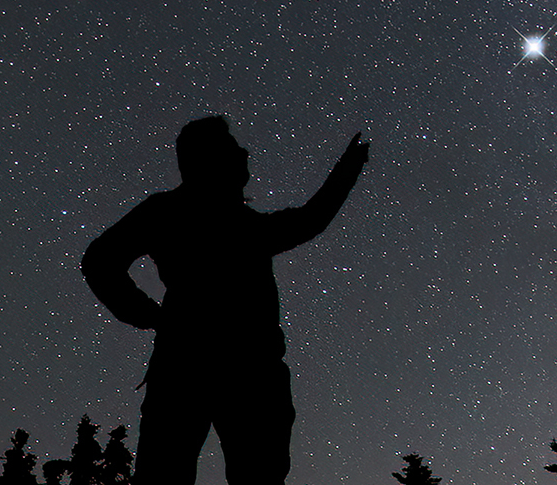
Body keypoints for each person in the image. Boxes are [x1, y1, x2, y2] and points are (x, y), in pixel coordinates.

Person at [80, 116, 369, 485]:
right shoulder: (190, 216)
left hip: (210, 366)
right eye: (234, 148)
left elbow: (307, 221)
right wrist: (149, 315)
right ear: (210, 158)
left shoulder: (224, 221)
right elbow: (100, 261)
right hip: (226, 369)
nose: (245, 153)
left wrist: (151, 316)